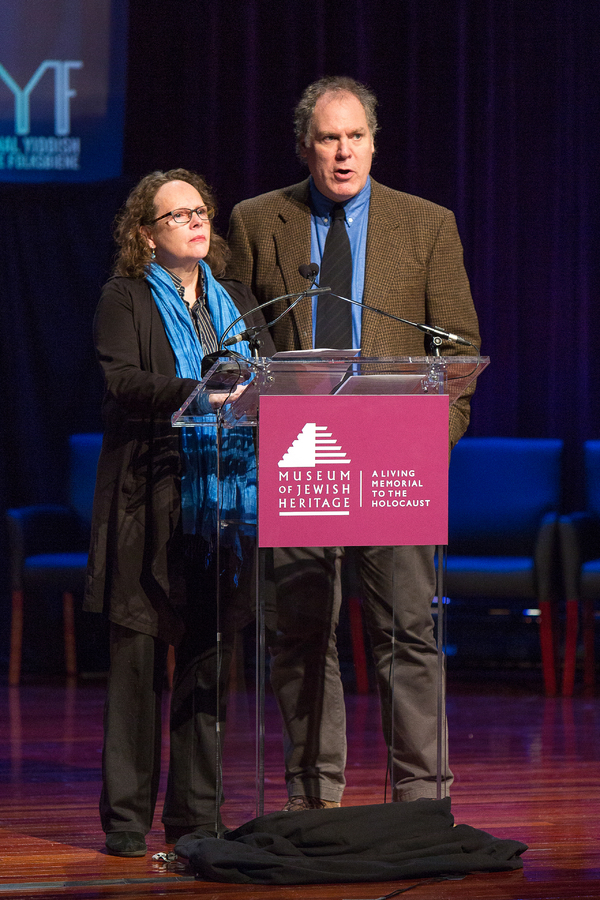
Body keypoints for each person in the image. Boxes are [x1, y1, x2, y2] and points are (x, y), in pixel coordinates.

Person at [226, 77, 481, 810]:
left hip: (395, 453)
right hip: (301, 454)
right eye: (329, 138)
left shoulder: (426, 224)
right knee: (304, 631)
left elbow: (459, 345)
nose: (344, 153)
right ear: (306, 146)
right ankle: (313, 800)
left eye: (356, 136)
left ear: (374, 140)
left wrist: (436, 440)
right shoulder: (255, 220)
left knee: (406, 628)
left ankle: (424, 800)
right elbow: (239, 339)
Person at [84, 168, 274, 857]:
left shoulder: (241, 301)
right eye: (176, 215)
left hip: (224, 504)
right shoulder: (125, 297)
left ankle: (197, 817)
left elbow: (272, 377)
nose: (196, 221)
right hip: (148, 501)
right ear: (145, 234)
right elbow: (123, 381)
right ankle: (127, 822)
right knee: (137, 662)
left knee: (208, 660)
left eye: (201, 210)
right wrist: (209, 393)